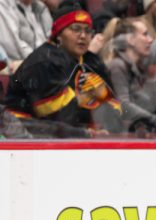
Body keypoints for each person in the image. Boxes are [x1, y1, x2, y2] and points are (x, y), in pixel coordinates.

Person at [4, 1, 123, 138]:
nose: (83, 36)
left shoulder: (92, 61)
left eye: (87, 30)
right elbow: (58, 116)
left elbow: (116, 113)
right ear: (58, 35)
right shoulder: (43, 61)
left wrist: (103, 98)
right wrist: (90, 98)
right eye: (75, 29)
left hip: (81, 136)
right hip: (26, 139)